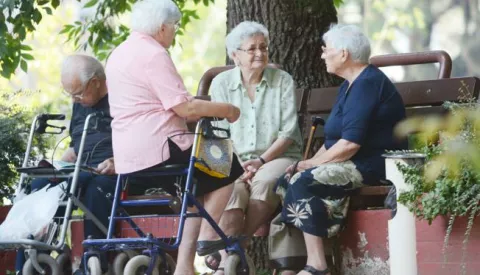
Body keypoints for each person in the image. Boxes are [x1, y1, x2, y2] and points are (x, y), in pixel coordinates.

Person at [105, 1, 244, 274]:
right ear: (162, 27)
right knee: (229, 166)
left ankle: (184, 266)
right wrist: (226, 109)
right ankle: (207, 237)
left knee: (196, 192)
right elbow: (185, 107)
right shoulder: (153, 54)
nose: (175, 33)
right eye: (175, 27)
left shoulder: (119, 53)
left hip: (127, 155)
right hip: (160, 148)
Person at [276, 24, 408, 275]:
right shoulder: (349, 85)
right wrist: (305, 163)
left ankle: (317, 266)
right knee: (286, 179)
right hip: (351, 161)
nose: (323, 55)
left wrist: (311, 166)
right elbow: (332, 142)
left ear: (344, 54)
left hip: (372, 164)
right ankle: (298, 262)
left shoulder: (368, 84)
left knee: (303, 182)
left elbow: (350, 144)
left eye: (327, 50)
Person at [206, 21, 303, 274]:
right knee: (231, 190)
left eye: (263, 47)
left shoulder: (282, 81)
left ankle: (235, 249)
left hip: (277, 156)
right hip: (234, 159)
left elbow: (289, 133)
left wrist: (259, 162)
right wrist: (239, 166)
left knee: (265, 181)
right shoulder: (221, 84)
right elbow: (219, 134)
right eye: (252, 49)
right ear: (234, 55)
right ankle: (233, 258)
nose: (260, 53)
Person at [15, 54, 116, 275]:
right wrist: (56, 165)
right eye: (70, 94)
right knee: (40, 183)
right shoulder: (80, 104)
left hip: (110, 169)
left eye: (78, 93)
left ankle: (93, 258)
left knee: (96, 187)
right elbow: (77, 145)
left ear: (96, 82)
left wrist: (118, 161)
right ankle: (28, 261)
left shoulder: (121, 99)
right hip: (80, 167)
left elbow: (137, 138)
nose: (74, 99)